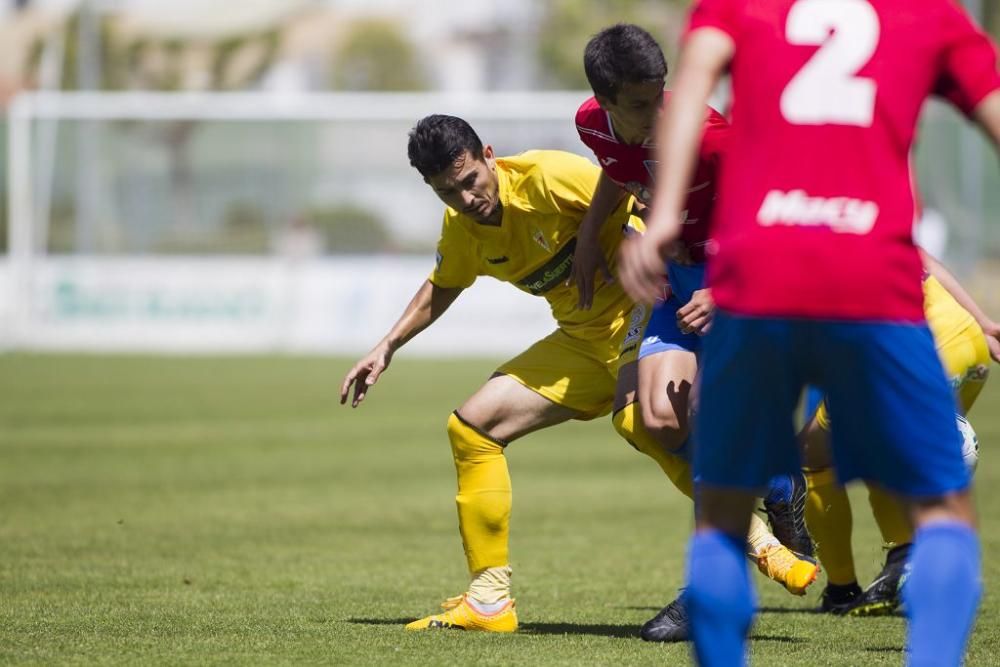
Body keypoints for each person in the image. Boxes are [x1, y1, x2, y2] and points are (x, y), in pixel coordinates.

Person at [618, 0, 1000, 663]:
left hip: (758, 271)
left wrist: (657, 224)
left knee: (724, 511)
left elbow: (686, 98)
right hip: (871, 272)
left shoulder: (738, 8)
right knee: (942, 512)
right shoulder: (931, 16)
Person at [340, 114, 679, 633]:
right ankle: (490, 602)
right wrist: (386, 345)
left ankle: (764, 524)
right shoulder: (464, 228)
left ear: (489, 155)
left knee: (640, 422)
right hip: (582, 345)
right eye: (447, 192)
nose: (466, 199)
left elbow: (640, 194)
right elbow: (444, 284)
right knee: (473, 427)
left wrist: (643, 246)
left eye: (470, 180)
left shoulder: (548, 175)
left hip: (646, 317)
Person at [572, 23, 816, 643]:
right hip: (676, 284)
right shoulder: (592, 125)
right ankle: (780, 482)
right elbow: (618, 167)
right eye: (639, 104)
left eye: (661, 95)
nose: (657, 112)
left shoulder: (711, 138)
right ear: (603, 102)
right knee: (657, 419)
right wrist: (588, 237)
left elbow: (771, 219)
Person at [805, 254, 998, 616]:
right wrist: (984, 324)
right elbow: (926, 260)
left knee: (811, 455)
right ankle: (909, 559)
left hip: (912, 349)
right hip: (966, 341)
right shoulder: (865, 209)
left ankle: (848, 586)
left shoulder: (798, 223)